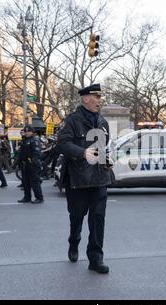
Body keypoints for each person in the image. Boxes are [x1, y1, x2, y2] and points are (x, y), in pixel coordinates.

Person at [58, 83, 113, 274]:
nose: (100, 101)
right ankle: (74, 241)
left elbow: (104, 148)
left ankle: (96, 259)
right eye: (96, 97)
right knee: (77, 218)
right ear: (85, 99)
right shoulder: (72, 121)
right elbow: (63, 144)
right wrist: (83, 153)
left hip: (99, 179)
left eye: (100, 97)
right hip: (78, 179)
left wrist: (107, 160)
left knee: (98, 219)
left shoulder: (103, 123)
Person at [17, 126, 44, 204]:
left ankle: (39, 197)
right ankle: (27, 197)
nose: (27, 133)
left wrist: (33, 162)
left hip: (32, 164)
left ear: (32, 132)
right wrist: (18, 163)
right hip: (25, 164)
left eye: (28, 131)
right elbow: (21, 153)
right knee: (25, 182)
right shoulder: (25, 140)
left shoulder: (34, 140)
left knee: (35, 181)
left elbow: (37, 153)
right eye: (26, 131)